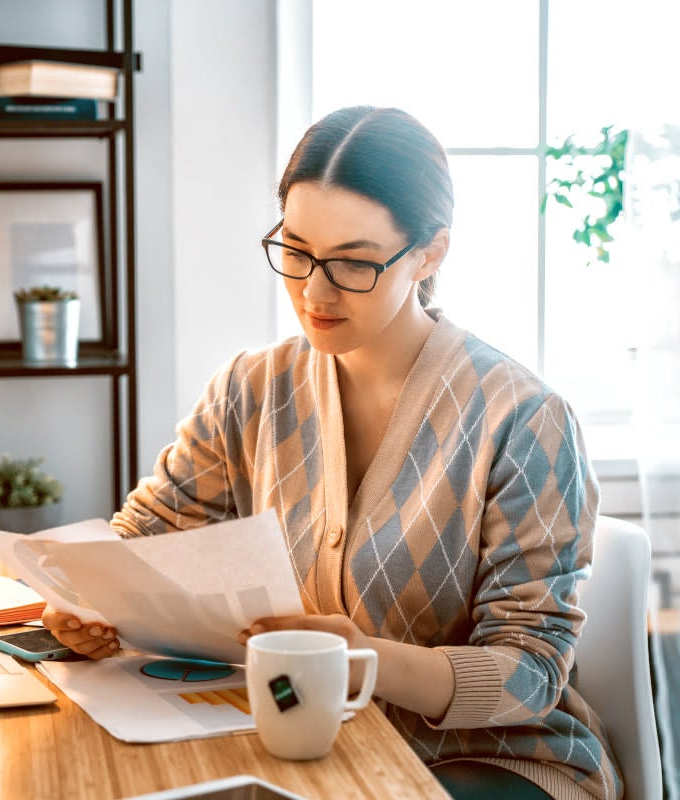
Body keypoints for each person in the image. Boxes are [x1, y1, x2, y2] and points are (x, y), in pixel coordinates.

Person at [43, 106, 619, 800]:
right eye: (296, 249)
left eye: (353, 263)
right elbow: (138, 537)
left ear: (430, 254)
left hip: (493, 762)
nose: (313, 291)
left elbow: (530, 675)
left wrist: (366, 659)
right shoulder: (249, 390)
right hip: (308, 745)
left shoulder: (523, 418)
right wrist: (83, 605)